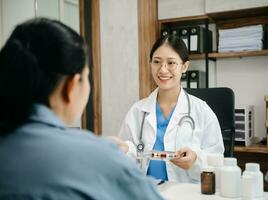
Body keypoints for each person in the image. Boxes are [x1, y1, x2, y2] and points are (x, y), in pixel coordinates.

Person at [0, 18, 163, 200]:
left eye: (171, 63)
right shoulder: (99, 158)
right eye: (87, 77)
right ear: (71, 86)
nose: (163, 69)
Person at [119, 35, 224, 183]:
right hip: (146, 192)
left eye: (171, 63)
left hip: (186, 194)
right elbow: (129, 157)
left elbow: (217, 162)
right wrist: (123, 149)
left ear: (184, 67)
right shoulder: (137, 111)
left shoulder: (202, 111)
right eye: (156, 62)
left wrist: (196, 160)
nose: (162, 70)